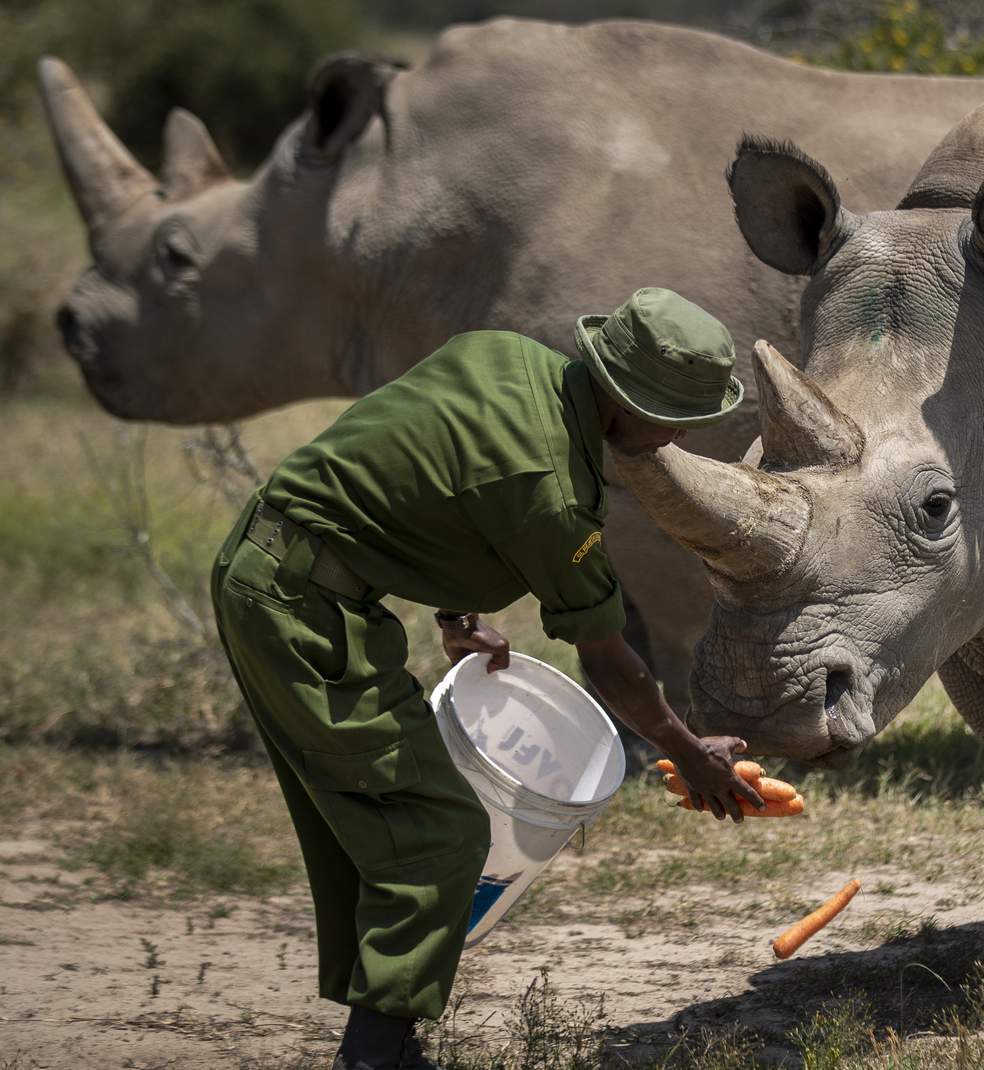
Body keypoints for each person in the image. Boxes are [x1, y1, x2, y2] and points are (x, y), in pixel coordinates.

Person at [209, 288, 766, 1070]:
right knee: (438, 831)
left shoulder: (502, 354)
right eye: (678, 417)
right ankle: (374, 1057)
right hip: (301, 609)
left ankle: (382, 1038)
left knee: (380, 825)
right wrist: (688, 749)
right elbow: (608, 658)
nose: (677, 435)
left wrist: (454, 609)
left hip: (275, 571)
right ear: (632, 402)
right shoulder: (555, 493)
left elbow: (427, 463)